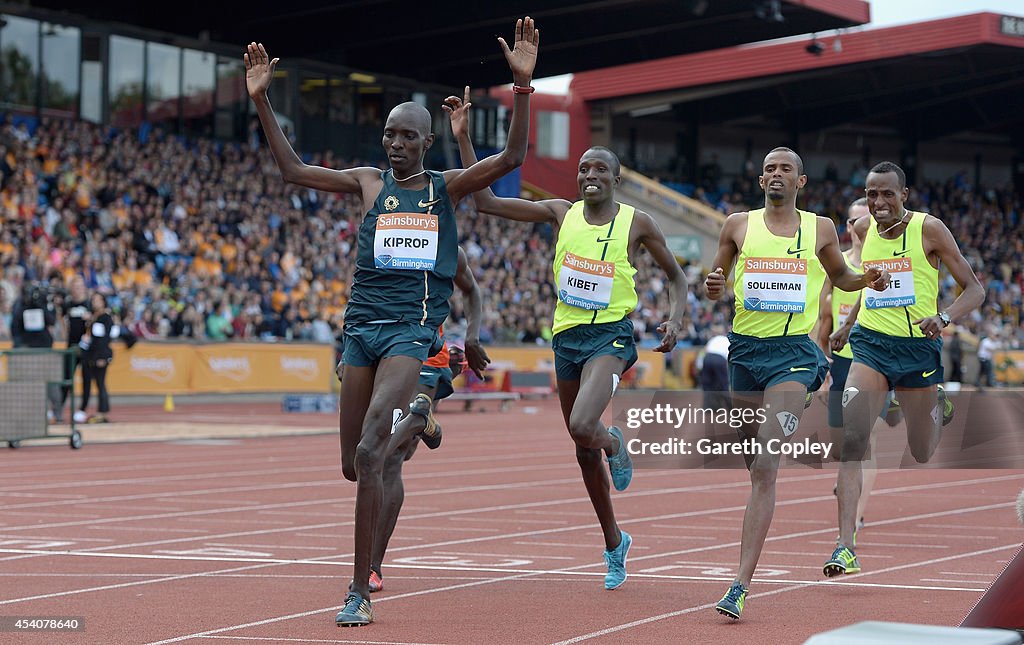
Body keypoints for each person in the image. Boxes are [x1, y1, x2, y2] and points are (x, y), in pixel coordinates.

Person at [244, 17, 539, 628]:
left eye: (407, 136)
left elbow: (512, 155)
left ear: (426, 143)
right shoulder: (367, 182)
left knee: (375, 447)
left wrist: (523, 89)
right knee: (354, 462)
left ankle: (360, 588)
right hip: (361, 329)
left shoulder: (446, 187)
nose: (396, 144)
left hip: (412, 330)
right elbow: (294, 172)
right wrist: (262, 100)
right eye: (389, 134)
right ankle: (414, 427)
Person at [449, 89, 688, 591]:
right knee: (582, 448)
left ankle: (615, 442)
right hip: (568, 338)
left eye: (599, 169)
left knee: (585, 424)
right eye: (583, 169)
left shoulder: (635, 223)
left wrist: (675, 317)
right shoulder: (561, 212)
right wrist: (465, 140)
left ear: (616, 179)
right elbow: (486, 202)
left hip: (611, 336)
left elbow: (676, 276)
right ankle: (614, 542)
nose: (589, 176)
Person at [703, 147, 888, 620]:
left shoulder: (820, 228)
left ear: (800, 182)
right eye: (769, 168)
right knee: (754, 467)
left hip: (793, 356)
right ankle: (745, 569)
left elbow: (842, 277)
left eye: (785, 169)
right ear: (760, 179)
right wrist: (712, 285)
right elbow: (716, 275)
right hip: (744, 354)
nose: (776, 174)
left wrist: (868, 278)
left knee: (766, 459)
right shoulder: (737, 225)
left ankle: (738, 584)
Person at [827, 161, 984, 579]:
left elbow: (975, 289)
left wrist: (945, 317)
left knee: (920, 450)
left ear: (904, 195)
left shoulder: (929, 230)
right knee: (854, 440)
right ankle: (845, 546)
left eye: (887, 195)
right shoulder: (863, 233)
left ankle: (937, 406)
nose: (878, 203)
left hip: (918, 351)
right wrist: (847, 323)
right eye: (871, 194)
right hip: (871, 347)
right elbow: (870, 281)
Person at [367, 247, 488, 593]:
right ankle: (423, 423)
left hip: (425, 353)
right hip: (380, 350)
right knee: (390, 452)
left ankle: (373, 567)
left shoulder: (448, 246)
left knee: (389, 459)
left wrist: (472, 335)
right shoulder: (381, 236)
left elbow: (472, 290)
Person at [817, 198, 903, 541]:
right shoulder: (834, 270)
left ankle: (855, 517)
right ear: (848, 227)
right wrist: (821, 370)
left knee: (865, 441)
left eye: (866, 219)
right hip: (839, 364)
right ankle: (848, 486)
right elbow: (821, 325)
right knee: (842, 448)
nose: (860, 226)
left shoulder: (889, 266)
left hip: (874, 361)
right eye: (855, 221)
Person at [74, 292, 114, 424]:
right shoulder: (91, 317)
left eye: (98, 300)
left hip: (99, 356)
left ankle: (102, 411)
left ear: (103, 302)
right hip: (88, 355)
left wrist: (102, 357)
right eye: (93, 300)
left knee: (100, 384)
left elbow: (104, 340)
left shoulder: (106, 318)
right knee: (86, 384)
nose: (95, 302)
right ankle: (82, 409)